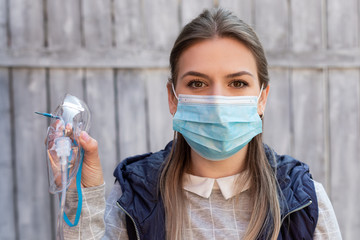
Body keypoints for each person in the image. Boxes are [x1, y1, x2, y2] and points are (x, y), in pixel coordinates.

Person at [63, 8, 342, 240]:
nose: (218, 102)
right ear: (173, 98)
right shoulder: (135, 194)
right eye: (197, 83)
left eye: (237, 83)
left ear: (262, 99)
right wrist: (83, 193)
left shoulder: (304, 200)